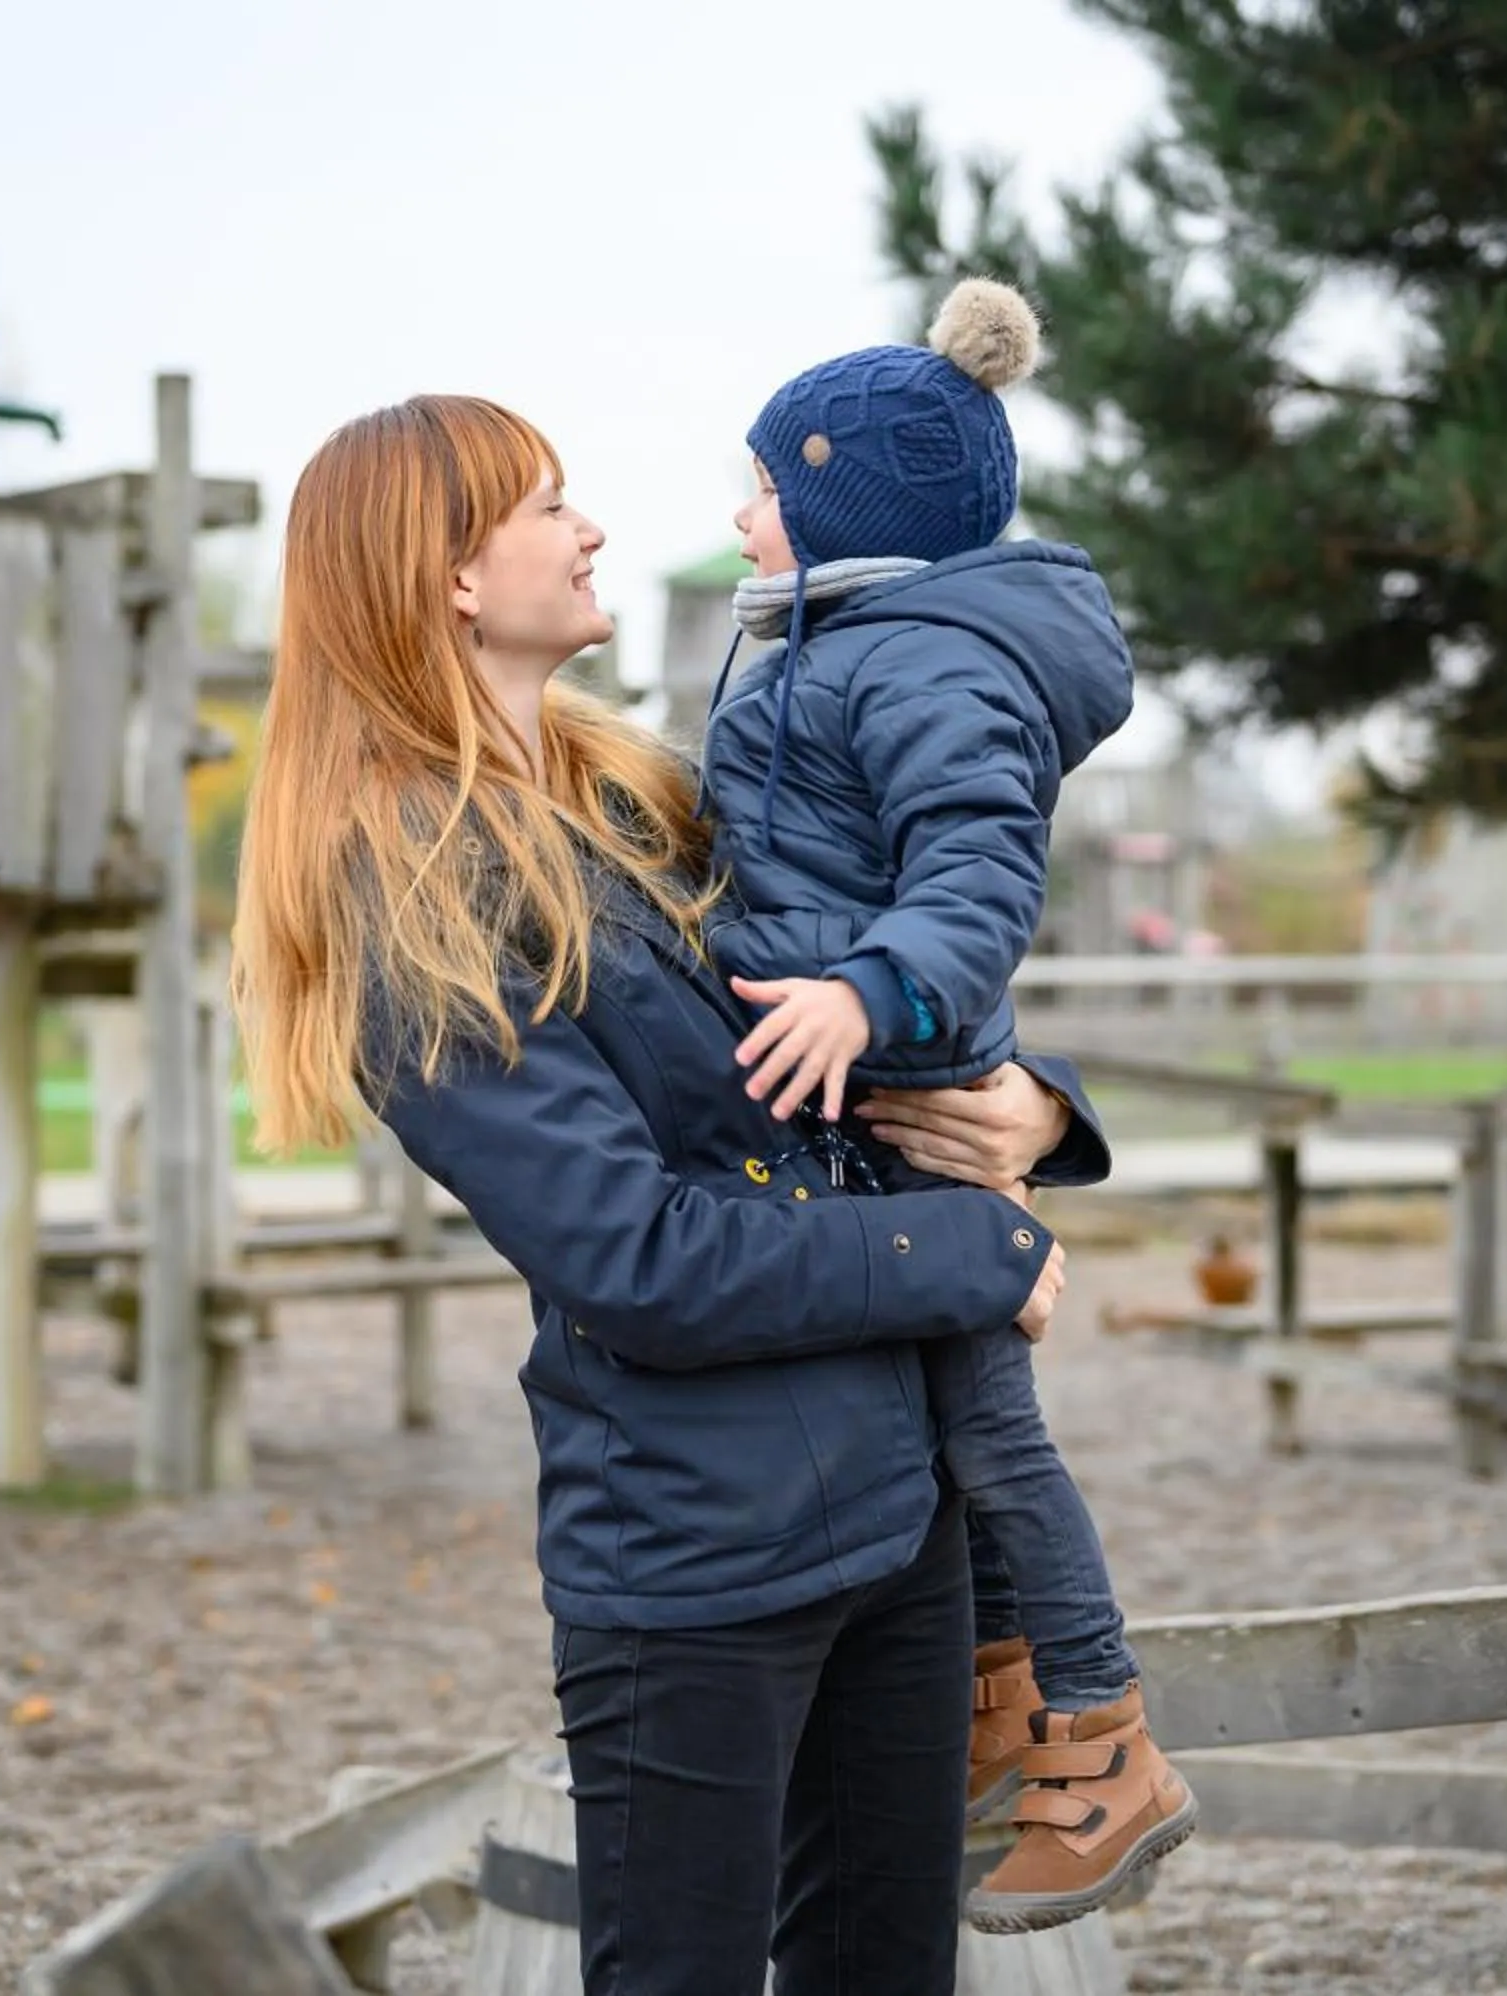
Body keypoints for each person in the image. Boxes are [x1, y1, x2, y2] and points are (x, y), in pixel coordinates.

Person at [230, 393, 1117, 1995]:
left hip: (893, 1511)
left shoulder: (636, 803)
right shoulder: (410, 906)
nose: (593, 531)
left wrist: (1030, 1113)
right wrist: (972, 1249)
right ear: (447, 575)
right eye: (551, 504)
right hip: (699, 1565)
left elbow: (850, 1004)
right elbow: (638, 1257)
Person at [701, 278, 1195, 1933]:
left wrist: (866, 995)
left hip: (904, 1093)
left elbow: (979, 879)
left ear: (842, 498)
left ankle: (1105, 1742)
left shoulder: (924, 666)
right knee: (946, 1438)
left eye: (762, 485)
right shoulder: (839, 648)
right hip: (865, 1107)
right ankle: (998, 1703)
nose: (739, 512)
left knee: (993, 1439)